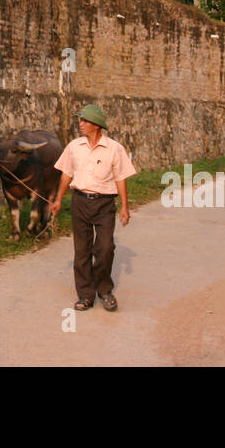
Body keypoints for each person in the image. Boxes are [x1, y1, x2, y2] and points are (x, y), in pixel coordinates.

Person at [48, 104, 136, 312]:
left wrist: (124, 206)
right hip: (79, 202)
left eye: (85, 121)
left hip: (104, 203)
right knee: (82, 251)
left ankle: (104, 290)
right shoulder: (74, 147)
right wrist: (59, 199)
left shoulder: (114, 148)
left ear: (96, 125)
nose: (81, 124)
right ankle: (86, 295)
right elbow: (66, 174)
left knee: (105, 248)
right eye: (80, 120)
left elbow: (120, 178)